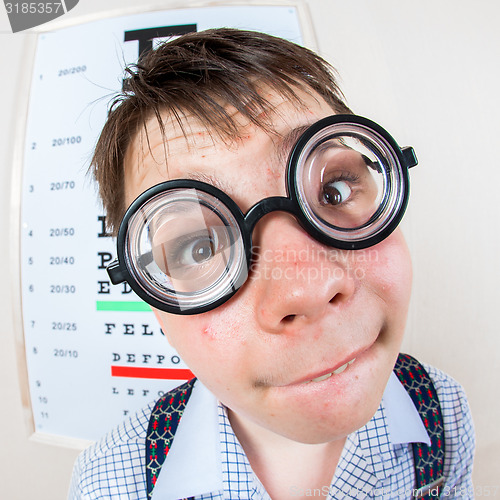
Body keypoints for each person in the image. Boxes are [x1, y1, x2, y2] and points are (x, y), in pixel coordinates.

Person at [69, 28, 474, 499]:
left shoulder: (444, 411)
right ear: (158, 307)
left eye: (333, 191)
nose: (308, 289)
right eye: (199, 248)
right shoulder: (111, 484)